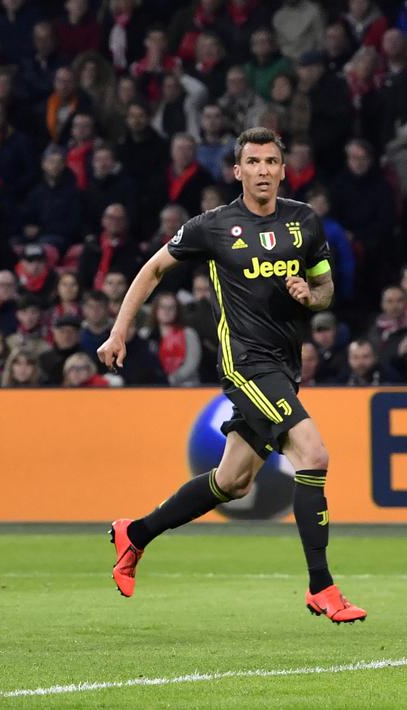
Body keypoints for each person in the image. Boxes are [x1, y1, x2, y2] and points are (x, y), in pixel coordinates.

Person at [97, 128, 366, 623]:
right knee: (313, 455)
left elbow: (326, 289)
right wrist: (118, 332)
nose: (263, 170)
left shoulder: (304, 221)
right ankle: (322, 587)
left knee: (233, 481)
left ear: (283, 170)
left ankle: (134, 534)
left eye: (271, 161)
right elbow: (153, 270)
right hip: (245, 364)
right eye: (253, 162)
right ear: (237, 171)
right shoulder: (214, 226)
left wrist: (310, 295)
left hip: (284, 365)